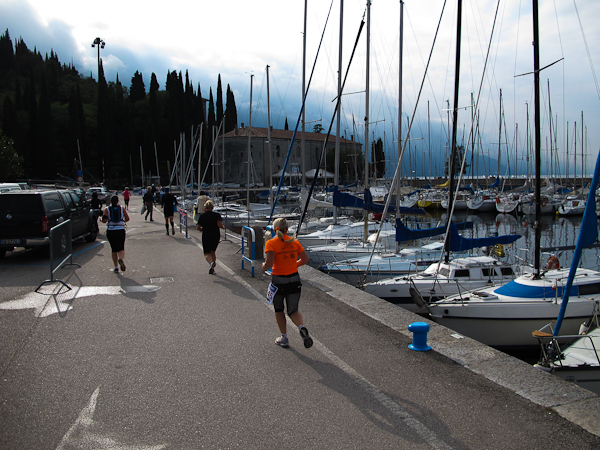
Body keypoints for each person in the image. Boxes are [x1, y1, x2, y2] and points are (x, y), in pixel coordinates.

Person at [261, 217, 313, 349]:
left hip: (278, 281)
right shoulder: (294, 242)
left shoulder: (271, 243)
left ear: (274, 230)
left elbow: (269, 264)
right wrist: (294, 264)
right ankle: (301, 327)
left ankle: (284, 337)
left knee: (279, 310)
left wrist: (263, 267)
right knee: (293, 310)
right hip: (294, 279)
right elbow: (305, 259)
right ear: (287, 229)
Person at [102, 195, 130, 273]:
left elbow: (104, 220)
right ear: (118, 201)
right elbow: (127, 218)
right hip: (120, 229)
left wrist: (101, 219)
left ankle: (116, 267)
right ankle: (121, 259)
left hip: (111, 230)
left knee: (114, 249)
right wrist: (123, 221)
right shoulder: (121, 208)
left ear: (110, 201)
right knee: (121, 247)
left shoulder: (107, 209)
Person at [196, 200, 225, 274]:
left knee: (207, 253)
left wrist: (201, 229)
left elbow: (198, 227)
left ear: (205, 208)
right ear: (212, 207)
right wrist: (223, 227)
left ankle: (211, 263)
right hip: (215, 234)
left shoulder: (202, 216)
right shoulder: (217, 215)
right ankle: (213, 268)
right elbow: (219, 225)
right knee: (213, 251)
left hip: (206, 235)